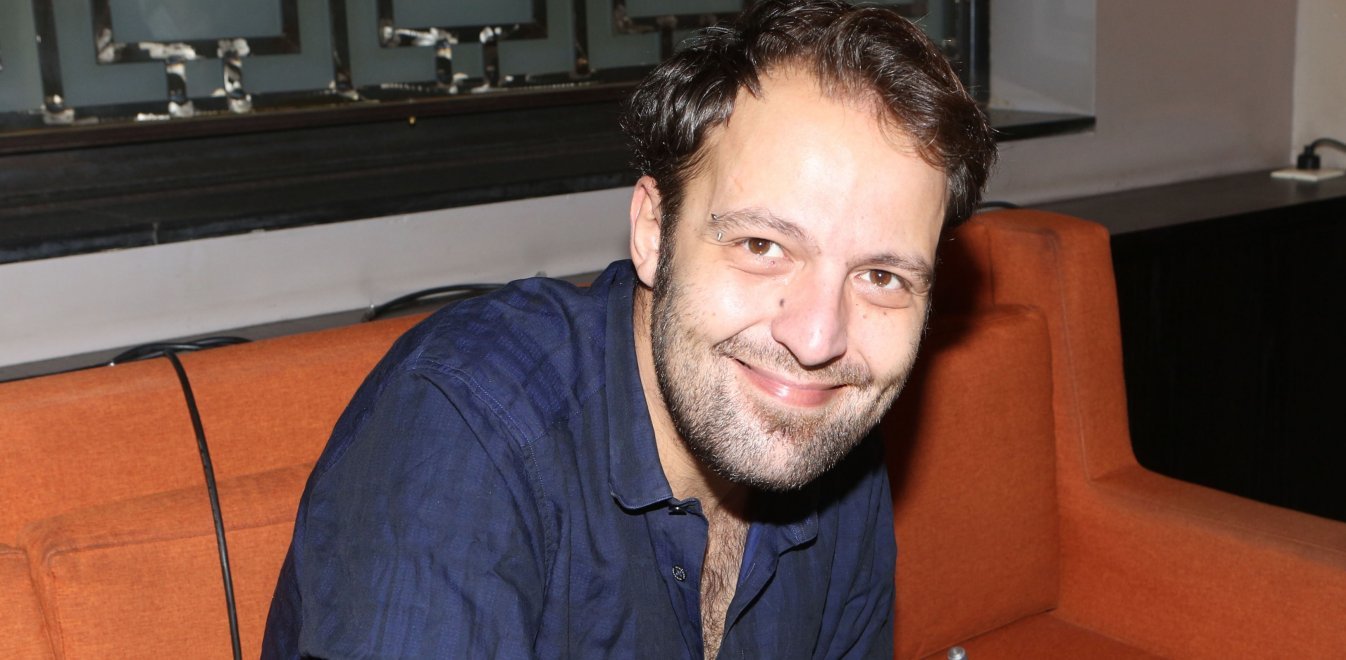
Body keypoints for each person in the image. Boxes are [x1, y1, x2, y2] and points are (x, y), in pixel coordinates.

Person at [262, 0, 995, 657]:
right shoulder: (464, 428)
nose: (816, 340)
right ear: (653, 232)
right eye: (762, 245)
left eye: (881, 277)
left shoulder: (823, 426)